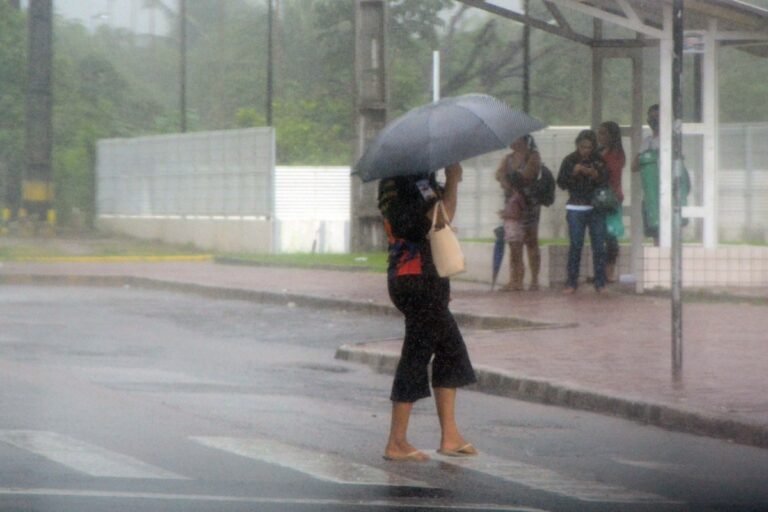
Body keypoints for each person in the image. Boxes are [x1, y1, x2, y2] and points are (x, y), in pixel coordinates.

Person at [377, 163, 478, 462]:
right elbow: (440, 219)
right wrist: (455, 181)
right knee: (416, 355)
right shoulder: (412, 181)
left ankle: (450, 435)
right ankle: (396, 441)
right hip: (418, 278)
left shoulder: (394, 181)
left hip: (413, 277)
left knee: (450, 351)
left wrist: (445, 184)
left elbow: (436, 217)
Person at [495, 135, 551, 291]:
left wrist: (507, 180)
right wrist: (507, 181)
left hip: (529, 205)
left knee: (531, 241)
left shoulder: (533, 157)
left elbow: (526, 176)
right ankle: (516, 279)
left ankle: (534, 280)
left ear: (524, 140)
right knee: (514, 242)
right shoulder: (508, 159)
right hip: (512, 206)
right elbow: (499, 175)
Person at [556, 129, 609, 293]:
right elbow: (561, 183)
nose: (585, 150)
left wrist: (594, 174)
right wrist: (574, 172)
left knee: (599, 246)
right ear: (577, 145)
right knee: (576, 245)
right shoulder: (569, 160)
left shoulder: (599, 161)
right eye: (582, 146)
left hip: (595, 208)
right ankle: (571, 282)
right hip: (575, 207)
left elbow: (606, 182)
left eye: (589, 147)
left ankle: (600, 282)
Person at [597, 121, 626, 282]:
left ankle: (609, 271)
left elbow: (612, 174)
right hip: (599, 197)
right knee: (600, 234)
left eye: (603, 133)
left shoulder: (616, 154)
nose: (599, 136)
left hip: (611, 198)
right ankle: (601, 269)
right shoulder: (600, 151)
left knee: (610, 235)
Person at [632, 104, 661, 245]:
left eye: (657, 116)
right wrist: (647, 157)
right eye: (651, 117)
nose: (654, 120)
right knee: (655, 231)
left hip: (666, 192)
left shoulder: (672, 140)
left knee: (669, 231)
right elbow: (634, 166)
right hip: (650, 193)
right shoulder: (647, 141)